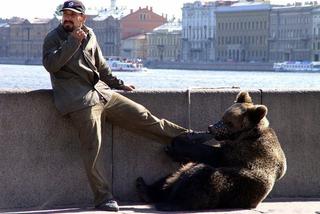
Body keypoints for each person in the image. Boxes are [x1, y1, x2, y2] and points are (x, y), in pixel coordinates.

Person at [42, 0, 212, 212]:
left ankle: (188, 138)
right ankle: (103, 198)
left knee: (143, 116)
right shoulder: (53, 38)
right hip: (79, 102)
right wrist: (72, 43)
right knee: (92, 147)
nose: (67, 18)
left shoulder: (91, 35)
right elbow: (51, 65)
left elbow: (102, 67)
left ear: (82, 18)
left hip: (102, 93)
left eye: (72, 14)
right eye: (65, 14)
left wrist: (119, 84)